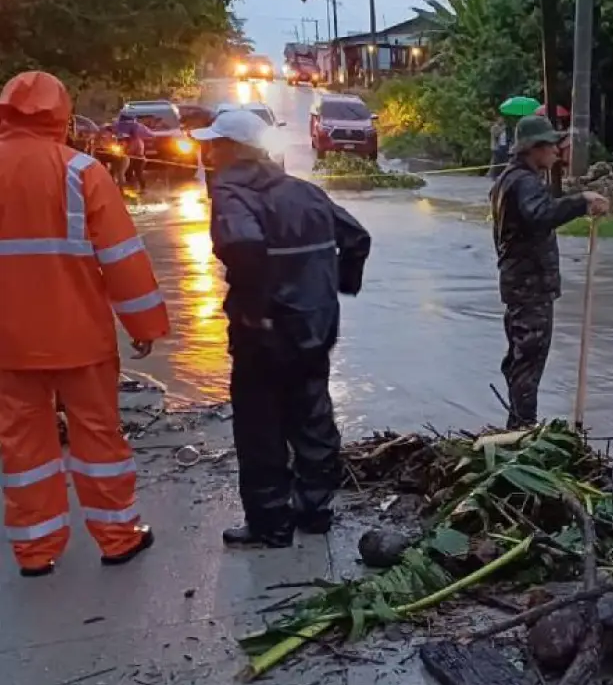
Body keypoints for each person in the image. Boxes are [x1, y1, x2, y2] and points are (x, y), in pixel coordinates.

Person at [0, 71, 168, 577]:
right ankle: (117, 538)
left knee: (22, 444)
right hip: (80, 337)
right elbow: (122, 258)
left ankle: (35, 551)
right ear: (61, 115)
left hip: (8, 343)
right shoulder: (82, 172)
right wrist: (143, 324)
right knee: (99, 438)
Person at [194, 110, 371, 548]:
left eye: (214, 144)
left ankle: (272, 523)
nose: (208, 151)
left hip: (266, 335)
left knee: (260, 427)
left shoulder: (231, 193)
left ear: (234, 150)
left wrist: (256, 311)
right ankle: (315, 511)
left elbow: (242, 245)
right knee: (312, 416)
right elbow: (357, 239)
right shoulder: (306, 193)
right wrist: (337, 288)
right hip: (315, 328)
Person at [491, 115, 610, 429]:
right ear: (534, 148)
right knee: (528, 359)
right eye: (552, 145)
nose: (558, 151)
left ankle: (517, 424)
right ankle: (522, 427)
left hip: (517, 283)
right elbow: (540, 215)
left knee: (520, 358)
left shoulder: (507, 179)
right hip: (529, 286)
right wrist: (581, 202)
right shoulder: (525, 182)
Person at [113, 112, 153, 193]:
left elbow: (150, 135)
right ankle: (130, 188)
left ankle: (142, 189)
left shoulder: (134, 136)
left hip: (137, 156)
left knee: (137, 173)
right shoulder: (133, 133)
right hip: (130, 156)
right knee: (129, 173)